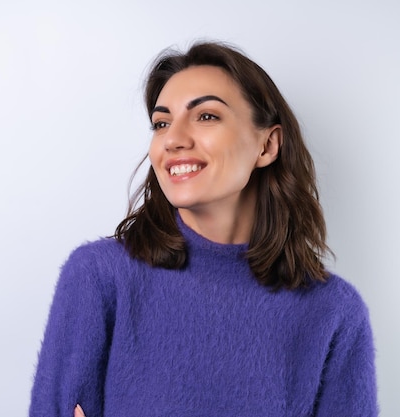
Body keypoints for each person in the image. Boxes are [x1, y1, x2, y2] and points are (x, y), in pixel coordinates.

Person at [29, 41, 378, 417]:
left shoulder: (333, 312)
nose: (174, 139)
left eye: (206, 116)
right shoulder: (99, 278)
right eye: (162, 123)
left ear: (267, 145)